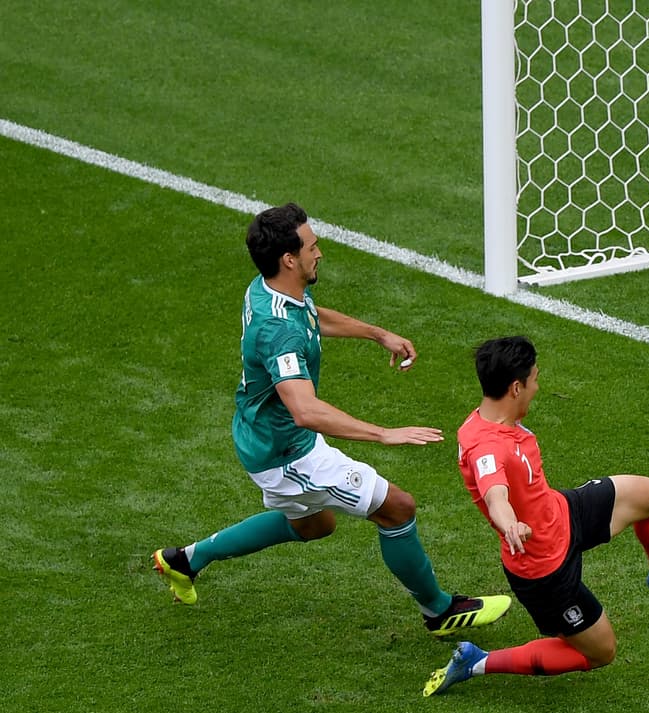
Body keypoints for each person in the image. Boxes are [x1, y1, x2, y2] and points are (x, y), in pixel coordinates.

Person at [151, 202, 510, 637]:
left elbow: (310, 316)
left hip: (261, 434)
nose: (319, 253)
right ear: (289, 259)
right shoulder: (277, 329)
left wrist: (377, 334)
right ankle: (439, 610)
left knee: (315, 524)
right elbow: (304, 410)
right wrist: (384, 434)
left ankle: (185, 560)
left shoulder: (268, 288)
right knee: (397, 508)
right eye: (312, 247)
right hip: (287, 454)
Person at [423, 336, 649, 696]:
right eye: (535, 379)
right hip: (545, 571)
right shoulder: (486, 448)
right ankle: (477, 662)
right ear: (515, 387)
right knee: (601, 652)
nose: (537, 387)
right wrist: (509, 524)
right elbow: (495, 494)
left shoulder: (491, 421)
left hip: (563, 512)